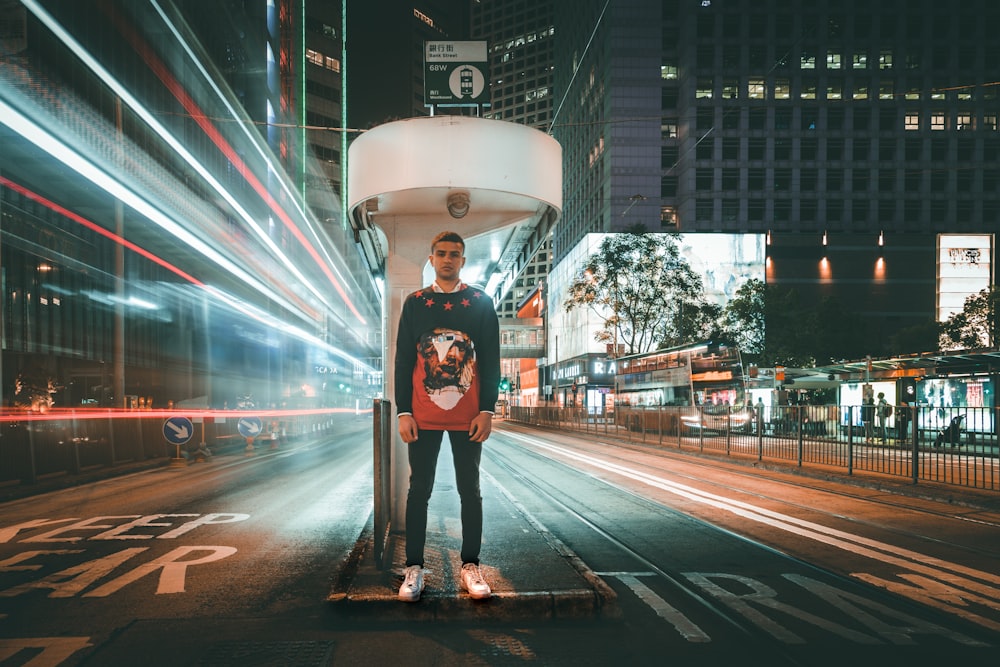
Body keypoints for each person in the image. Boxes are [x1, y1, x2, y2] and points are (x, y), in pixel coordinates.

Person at [394, 231, 501, 603]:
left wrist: (487, 409)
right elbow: (403, 360)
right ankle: (414, 567)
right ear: (431, 257)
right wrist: (403, 411)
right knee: (418, 490)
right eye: (441, 253)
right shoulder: (416, 303)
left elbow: (490, 361)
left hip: (468, 416)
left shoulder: (480, 303)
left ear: (463, 260)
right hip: (422, 416)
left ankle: (470, 565)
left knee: (469, 490)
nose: (447, 259)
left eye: (455, 254)